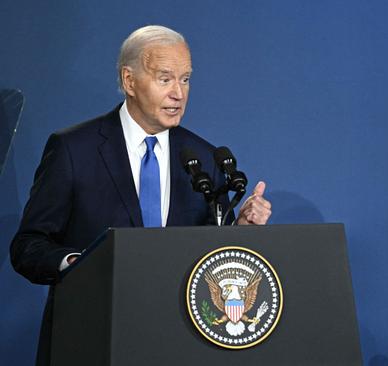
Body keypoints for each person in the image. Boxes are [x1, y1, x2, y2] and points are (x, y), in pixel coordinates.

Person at [10, 25, 272, 366]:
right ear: (129, 81)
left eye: (186, 79)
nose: (179, 93)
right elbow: (29, 245)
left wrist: (241, 231)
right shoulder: (74, 149)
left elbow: (213, 257)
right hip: (92, 337)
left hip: (180, 343)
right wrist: (76, 265)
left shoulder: (205, 158)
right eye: (165, 79)